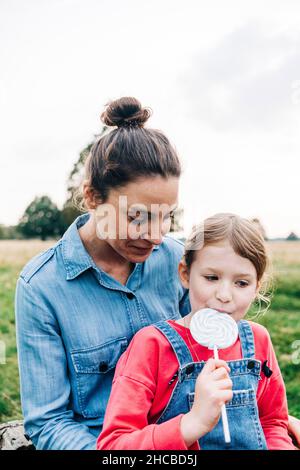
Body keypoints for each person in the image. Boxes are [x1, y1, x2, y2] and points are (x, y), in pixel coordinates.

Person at [15, 97, 300, 450]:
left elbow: (214, 352)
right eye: (138, 216)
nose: (157, 234)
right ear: (92, 197)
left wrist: (268, 418)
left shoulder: (179, 260)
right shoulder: (41, 287)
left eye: (167, 215)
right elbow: (50, 423)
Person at [97, 213, 297, 450]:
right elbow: (114, 446)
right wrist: (193, 422)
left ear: (256, 287)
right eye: (211, 278)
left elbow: (272, 423)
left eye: (241, 283)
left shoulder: (258, 340)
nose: (224, 295)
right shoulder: (151, 346)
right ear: (185, 274)